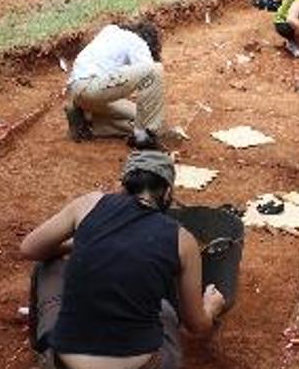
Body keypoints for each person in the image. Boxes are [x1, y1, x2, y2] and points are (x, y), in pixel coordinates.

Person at [21, 150, 225, 369]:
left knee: (48, 265)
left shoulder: (88, 204)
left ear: (122, 185)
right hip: (141, 365)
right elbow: (197, 325)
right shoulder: (182, 240)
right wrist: (211, 307)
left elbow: (30, 249)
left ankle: (41, 354)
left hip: (65, 363)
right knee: (165, 311)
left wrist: (78, 243)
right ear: (167, 193)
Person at [64, 20, 164, 150]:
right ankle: (144, 139)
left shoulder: (110, 30)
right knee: (155, 69)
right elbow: (148, 73)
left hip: (78, 91)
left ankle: (88, 124)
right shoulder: (138, 42)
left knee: (139, 117)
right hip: (92, 87)